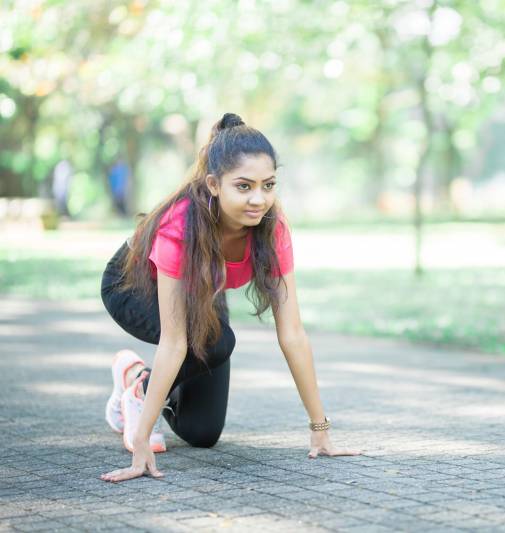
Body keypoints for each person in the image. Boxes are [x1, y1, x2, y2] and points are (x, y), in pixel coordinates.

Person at [99, 113, 361, 483]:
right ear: (214, 184)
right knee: (218, 341)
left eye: (268, 185)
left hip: (203, 289)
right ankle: (137, 393)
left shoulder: (272, 230)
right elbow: (175, 341)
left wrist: (320, 429)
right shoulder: (181, 223)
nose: (259, 199)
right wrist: (140, 438)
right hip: (131, 284)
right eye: (244, 186)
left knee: (202, 433)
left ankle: (134, 376)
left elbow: (293, 335)